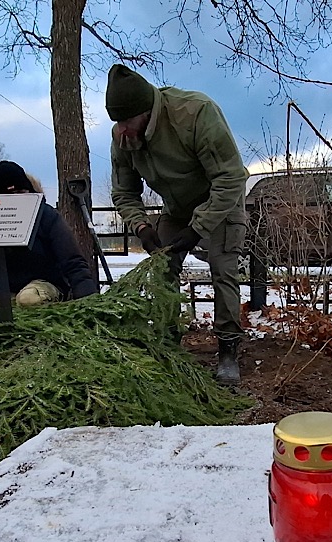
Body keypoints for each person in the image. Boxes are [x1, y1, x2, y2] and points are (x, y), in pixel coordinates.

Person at [106, 64, 248, 385]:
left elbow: (230, 178)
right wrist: (143, 229)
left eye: (127, 122)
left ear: (146, 113)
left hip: (221, 199)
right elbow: (124, 192)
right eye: (117, 123)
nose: (121, 131)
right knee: (162, 266)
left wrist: (197, 230)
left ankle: (227, 348)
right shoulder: (124, 138)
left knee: (222, 267)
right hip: (177, 206)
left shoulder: (196, 114)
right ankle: (169, 339)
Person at [0, 161, 98, 305]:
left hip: (44, 284)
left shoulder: (46, 216)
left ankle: (20, 306)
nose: (18, 199)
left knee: (29, 299)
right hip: (5, 287)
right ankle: (11, 308)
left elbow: (72, 261)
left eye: (21, 192)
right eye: (11, 195)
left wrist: (87, 298)